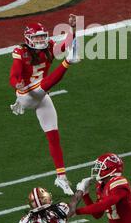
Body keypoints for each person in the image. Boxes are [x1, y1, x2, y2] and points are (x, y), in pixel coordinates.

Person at [9, 15, 79, 195]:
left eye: (42, 36)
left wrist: (73, 29)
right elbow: (14, 73)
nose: (40, 40)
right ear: (28, 39)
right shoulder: (21, 52)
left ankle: (61, 178)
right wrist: (16, 83)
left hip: (41, 96)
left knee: (53, 136)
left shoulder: (47, 48)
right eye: (36, 37)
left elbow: (64, 45)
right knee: (43, 85)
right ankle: (67, 63)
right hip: (26, 94)